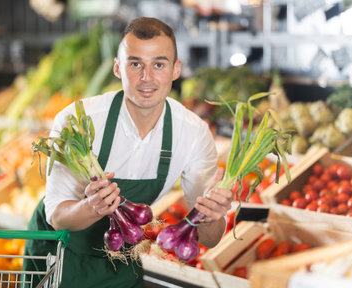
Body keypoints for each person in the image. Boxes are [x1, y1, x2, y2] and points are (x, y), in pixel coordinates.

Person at [23, 17, 233, 288]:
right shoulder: (79, 119)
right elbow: (58, 216)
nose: (147, 78)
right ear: (117, 68)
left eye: (159, 64)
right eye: (135, 64)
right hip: (60, 253)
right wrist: (92, 207)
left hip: (120, 254)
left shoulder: (192, 133)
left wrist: (214, 216)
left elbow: (209, 238)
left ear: (176, 69)